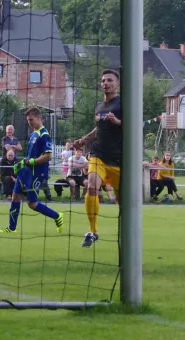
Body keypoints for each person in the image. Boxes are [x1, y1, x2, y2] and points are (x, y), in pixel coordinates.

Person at [74, 69, 122, 248]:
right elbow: (98, 129)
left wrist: (117, 122)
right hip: (98, 155)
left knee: (121, 200)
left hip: (118, 159)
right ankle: (93, 231)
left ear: (117, 84)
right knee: (92, 187)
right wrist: (84, 139)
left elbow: (134, 124)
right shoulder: (99, 106)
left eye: (109, 80)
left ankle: (127, 232)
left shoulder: (123, 103)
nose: (105, 83)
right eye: (103, 81)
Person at [0, 107, 64, 233]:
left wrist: (32, 162)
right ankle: (12, 228)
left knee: (32, 204)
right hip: (26, 171)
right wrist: (22, 163)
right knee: (15, 196)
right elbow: (30, 155)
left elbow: (48, 156)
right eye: (28, 120)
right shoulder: (34, 133)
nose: (29, 122)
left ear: (39, 118)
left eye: (31, 119)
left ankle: (57, 216)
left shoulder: (44, 135)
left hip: (36, 173)